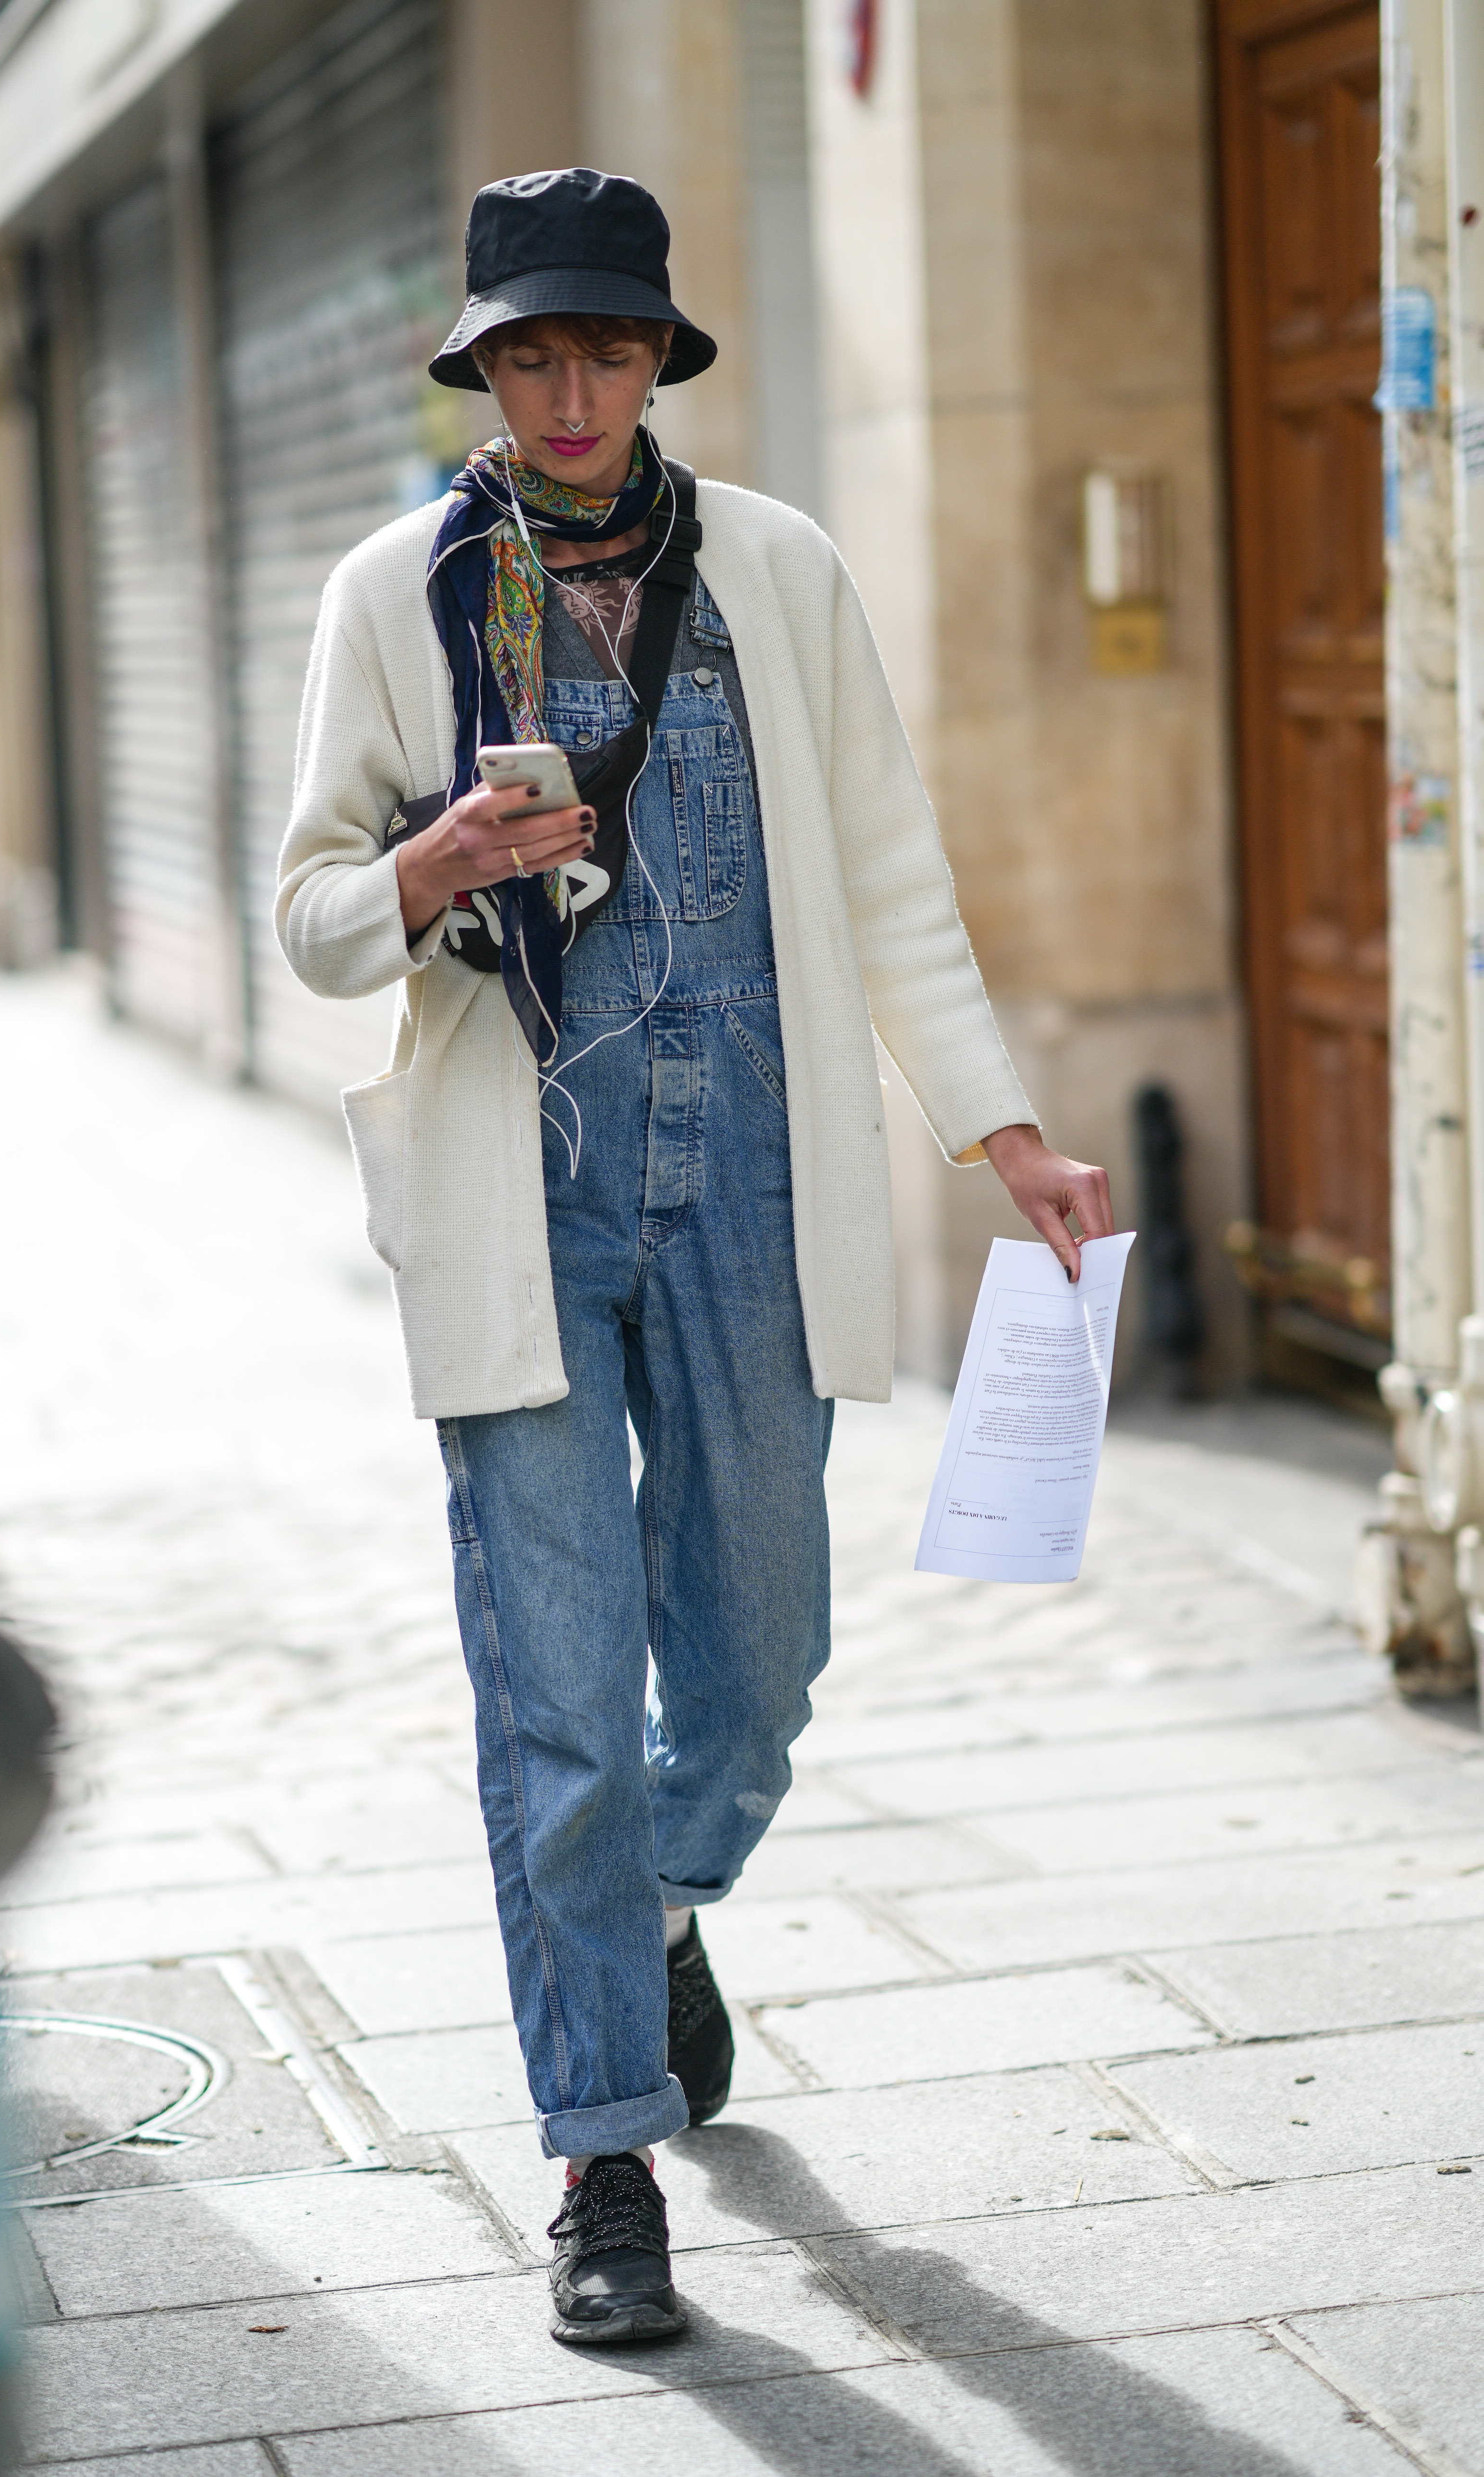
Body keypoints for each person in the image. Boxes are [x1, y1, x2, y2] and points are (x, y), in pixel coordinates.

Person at [278, 167, 1113, 2346]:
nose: (571, 392)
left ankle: (655, 1910)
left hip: (754, 1178)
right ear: (479, 364)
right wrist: (436, 854)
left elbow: (892, 869)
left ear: (660, 358)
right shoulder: (394, 593)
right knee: (557, 1708)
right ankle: (601, 2156)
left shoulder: (780, 570)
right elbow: (305, 918)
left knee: (755, 1669)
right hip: (517, 1197)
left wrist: (998, 1125)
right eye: (530, 354)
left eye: (609, 348)